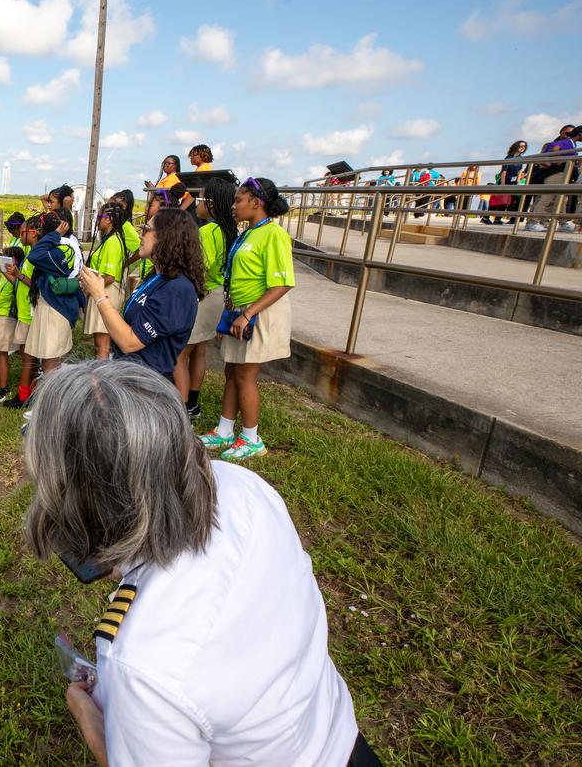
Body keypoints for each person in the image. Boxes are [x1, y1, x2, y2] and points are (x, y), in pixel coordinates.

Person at [21, 361, 376, 767]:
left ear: (81, 502)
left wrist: (90, 719)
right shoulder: (245, 486)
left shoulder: (144, 665)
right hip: (341, 737)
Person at [200, 177, 294, 461]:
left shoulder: (273, 235)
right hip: (238, 312)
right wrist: (230, 317)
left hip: (258, 313)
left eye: (239, 199)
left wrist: (249, 314)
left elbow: (282, 283)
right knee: (231, 371)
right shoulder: (246, 233)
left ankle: (252, 438)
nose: (233, 205)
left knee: (245, 375)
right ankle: (225, 429)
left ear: (257, 202)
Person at [80, 208, 201, 383]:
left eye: (145, 230)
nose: (141, 236)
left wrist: (99, 295)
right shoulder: (158, 277)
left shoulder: (177, 289)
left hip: (145, 386)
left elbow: (129, 342)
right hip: (131, 375)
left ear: (166, 236)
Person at [174, 179, 238, 417]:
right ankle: (192, 402)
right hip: (217, 296)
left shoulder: (208, 231)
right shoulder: (229, 230)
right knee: (199, 351)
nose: (196, 204)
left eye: (199, 199)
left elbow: (199, 266)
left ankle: (180, 407)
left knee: (179, 355)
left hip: (201, 295)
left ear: (210, 203)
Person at [24, 210, 84, 382]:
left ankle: (51, 404)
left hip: (55, 309)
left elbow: (34, 255)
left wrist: (55, 234)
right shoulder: (65, 244)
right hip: (53, 307)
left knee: (50, 363)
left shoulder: (63, 248)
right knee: (52, 360)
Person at [81, 202, 131, 360]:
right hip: (102, 292)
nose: (97, 220)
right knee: (101, 342)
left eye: (99, 216)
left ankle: (100, 381)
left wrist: (90, 288)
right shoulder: (109, 240)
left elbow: (109, 276)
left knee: (102, 344)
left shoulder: (113, 243)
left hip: (106, 292)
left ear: (108, 219)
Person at [6, 214, 44, 409]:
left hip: (30, 313)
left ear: (34, 233)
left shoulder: (38, 256)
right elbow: (20, 283)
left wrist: (19, 274)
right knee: (25, 353)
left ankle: (25, 395)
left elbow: (37, 285)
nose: (20, 236)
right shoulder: (30, 254)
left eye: (23, 232)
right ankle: (30, 390)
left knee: (28, 354)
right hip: (23, 311)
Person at [0, 245, 27, 404]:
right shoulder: (7, 275)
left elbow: (7, 291)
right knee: (0, 354)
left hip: (3, 318)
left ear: (13, 261)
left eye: (5, 259)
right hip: (1, 317)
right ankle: (3, 387)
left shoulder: (13, 277)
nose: (2, 261)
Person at [528, 125, 579, 233]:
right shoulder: (566, 142)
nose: (567, 135)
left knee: (561, 200)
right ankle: (533, 222)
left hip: (564, 174)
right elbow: (553, 150)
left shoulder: (572, 144)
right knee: (547, 198)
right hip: (556, 173)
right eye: (566, 133)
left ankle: (562, 222)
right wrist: (554, 163)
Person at [497, 140, 528, 226]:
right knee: (504, 201)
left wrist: (518, 181)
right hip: (506, 181)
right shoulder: (509, 158)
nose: (523, 148)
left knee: (515, 200)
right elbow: (504, 171)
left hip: (514, 182)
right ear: (516, 146)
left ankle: (513, 219)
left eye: (524, 146)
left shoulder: (521, 158)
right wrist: (503, 184)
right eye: (521, 146)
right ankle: (497, 219)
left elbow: (520, 170)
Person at [143, 155, 183, 221]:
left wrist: (152, 188)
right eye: (164, 163)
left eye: (168, 163)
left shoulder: (173, 177)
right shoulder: (167, 177)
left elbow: (166, 195)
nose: (165, 165)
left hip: (164, 212)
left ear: (176, 165)